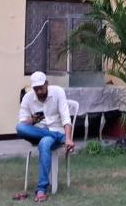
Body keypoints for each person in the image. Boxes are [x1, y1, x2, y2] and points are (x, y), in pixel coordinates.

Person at [16, 71, 75, 202]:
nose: (39, 92)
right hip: (37, 132)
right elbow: (22, 122)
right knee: (19, 127)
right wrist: (33, 120)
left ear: (47, 84)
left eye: (41, 88)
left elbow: (66, 118)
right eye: (36, 89)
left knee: (45, 142)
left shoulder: (58, 92)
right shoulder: (28, 98)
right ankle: (59, 137)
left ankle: (41, 189)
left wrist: (69, 138)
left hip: (56, 130)